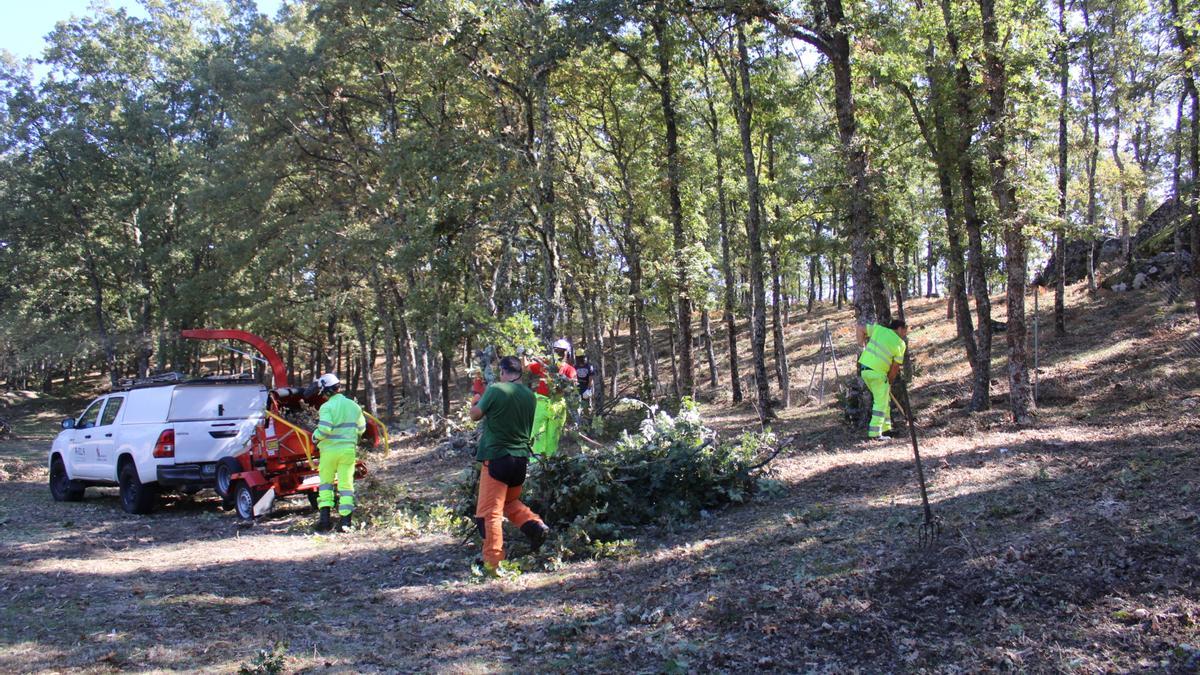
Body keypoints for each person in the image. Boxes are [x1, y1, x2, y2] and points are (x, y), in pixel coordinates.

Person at [469, 356, 550, 574]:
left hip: (497, 457)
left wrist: (477, 396)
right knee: (509, 501)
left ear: (503, 371)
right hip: (520, 460)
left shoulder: (496, 390)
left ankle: (492, 563)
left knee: (488, 513)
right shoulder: (530, 396)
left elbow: (475, 415)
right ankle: (535, 525)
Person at [311, 373, 366, 532]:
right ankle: (345, 523)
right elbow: (362, 429)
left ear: (325, 391)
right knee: (346, 485)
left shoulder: (326, 407)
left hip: (329, 452)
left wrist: (315, 436)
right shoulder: (354, 406)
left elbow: (325, 429)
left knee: (326, 484)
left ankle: (325, 521)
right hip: (348, 451)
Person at [856, 319, 909, 440]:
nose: (905, 334)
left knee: (884, 399)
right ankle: (875, 433)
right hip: (878, 374)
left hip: (865, 370)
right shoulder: (900, 344)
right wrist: (889, 381)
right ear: (900, 328)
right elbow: (895, 367)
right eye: (905, 330)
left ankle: (886, 429)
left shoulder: (878, 330)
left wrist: (861, 346)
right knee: (880, 403)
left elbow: (860, 328)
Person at [526, 338, 577, 458]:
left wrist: (564, 382)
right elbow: (527, 367)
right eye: (556, 350)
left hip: (557, 405)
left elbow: (573, 386)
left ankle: (550, 460)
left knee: (553, 434)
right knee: (538, 431)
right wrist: (524, 354)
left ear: (567, 353)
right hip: (541, 401)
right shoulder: (545, 364)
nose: (558, 353)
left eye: (561, 351)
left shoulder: (570, 370)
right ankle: (536, 460)